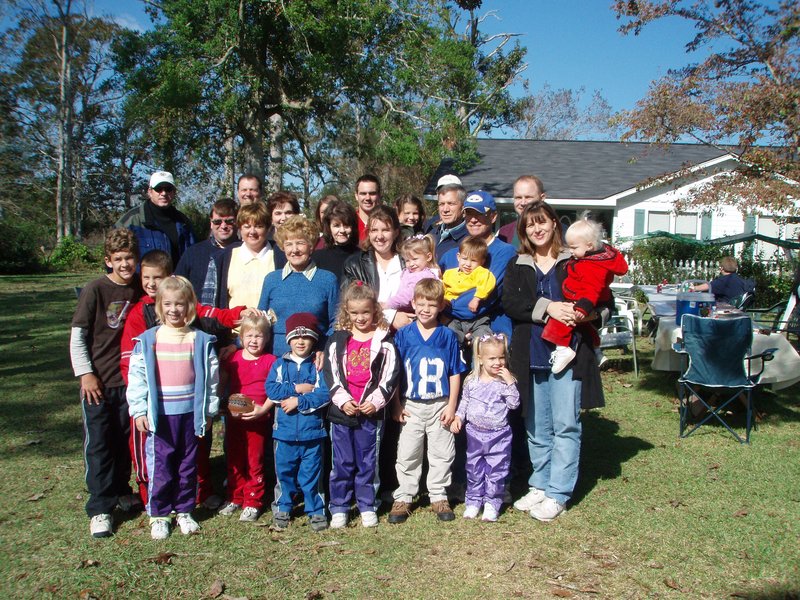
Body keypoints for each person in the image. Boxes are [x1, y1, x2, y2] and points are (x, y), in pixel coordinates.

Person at [120, 250, 249, 510]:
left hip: (187, 400)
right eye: (146, 278)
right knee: (156, 454)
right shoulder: (140, 313)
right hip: (155, 401)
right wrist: (141, 401)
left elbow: (214, 313)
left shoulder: (188, 314)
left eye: (158, 277)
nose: (152, 283)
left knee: (192, 452)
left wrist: (242, 313)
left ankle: (195, 496)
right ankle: (153, 500)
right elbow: (130, 362)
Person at [503, 201, 606, 522]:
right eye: (530, 224)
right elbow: (512, 303)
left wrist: (583, 313)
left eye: (542, 222)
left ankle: (558, 492)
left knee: (565, 424)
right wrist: (548, 307)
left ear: (553, 224)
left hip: (569, 354)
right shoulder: (518, 263)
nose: (537, 229)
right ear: (523, 230)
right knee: (536, 426)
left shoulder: (574, 260)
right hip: (530, 354)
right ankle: (540, 483)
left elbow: (604, 301)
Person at [126, 276, 220, 539]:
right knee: (162, 465)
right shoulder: (148, 340)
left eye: (180, 304)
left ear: (190, 306)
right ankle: (159, 513)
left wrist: (209, 411)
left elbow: (212, 379)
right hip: (160, 417)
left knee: (188, 464)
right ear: (159, 306)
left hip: (190, 415)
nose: (173, 310)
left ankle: (184, 510)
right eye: (167, 304)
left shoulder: (200, 340)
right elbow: (138, 376)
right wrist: (139, 410)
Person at [70, 229, 141, 538]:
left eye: (130, 258)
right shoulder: (95, 290)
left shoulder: (140, 289)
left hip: (128, 382)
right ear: (108, 261)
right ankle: (100, 506)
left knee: (124, 441)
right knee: (99, 443)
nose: (125, 264)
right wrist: (86, 373)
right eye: (119, 259)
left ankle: (121, 489)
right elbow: (78, 336)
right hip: (98, 383)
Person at [388, 279, 467, 524]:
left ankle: (438, 494)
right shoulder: (404, 334)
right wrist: (396, 404)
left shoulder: (447, 336)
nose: (425, 309)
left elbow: (455, 372)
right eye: (420, 304)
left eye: (431, 305)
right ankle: (405, 495)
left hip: (439, 404)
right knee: (408, 451)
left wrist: (452, 405)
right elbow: (396, 372)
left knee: (442, 452)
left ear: (441, 306)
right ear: (412, 303)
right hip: (411, 403)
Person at [323, 282, 400, 528]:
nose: (360, 318)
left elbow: (390, 376)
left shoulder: (385, 342)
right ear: (346, 311)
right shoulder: (337, 340)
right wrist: (343, 400)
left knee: (368, 460)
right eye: (354, 313)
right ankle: (340, 506)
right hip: (342, 412)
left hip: (370, 413)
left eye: (365, 312)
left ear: (374, 310)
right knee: (342, 462)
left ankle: (367, 504)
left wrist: (375, 402)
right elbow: (331, 374)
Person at [266, 313, 330, 532]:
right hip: (283, 432)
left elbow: (324, 394)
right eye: (295, 337)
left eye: (306, 337)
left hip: (312, 433)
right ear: (288, 340)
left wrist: (299, 401)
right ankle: (283, 506)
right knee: (284, 472)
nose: (300, 341)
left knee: (311, 474)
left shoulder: (317, 365)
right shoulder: (279, 365)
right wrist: (296, 389)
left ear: (313, 340)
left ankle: (316, 509)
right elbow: (272, 390)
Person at [542, 218, 628, 374]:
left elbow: (592, 288)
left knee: (560, 321)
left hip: (583, 300)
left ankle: (563, 349)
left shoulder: (592, 265)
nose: (571, 251)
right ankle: (597, 352)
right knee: (587, 328)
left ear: (589, 246)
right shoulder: (594, 257)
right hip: (583, 298)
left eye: (574, 247)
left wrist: (583, 306)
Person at [450, 333, 519, 522]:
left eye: (501, 357)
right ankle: (473, 501)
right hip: (474, 433)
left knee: (496, 472)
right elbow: (465, 402)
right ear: (480, 359)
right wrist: (458, 417)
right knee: (474, 469)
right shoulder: (472, 381)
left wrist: (510, 383)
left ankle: (492, 503)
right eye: (492, 358)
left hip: (499, 435)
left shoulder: (505, 382)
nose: (498, 362)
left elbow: (513, 404)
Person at [218, 314, 277, 522]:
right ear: (241, 338)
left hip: (258, 420)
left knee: (255, 460)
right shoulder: (233, 358)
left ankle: (253, 500)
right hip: (234, 418)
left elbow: (275, 391)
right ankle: (235, 496)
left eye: (259, 336)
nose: (254, 340)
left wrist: (264, 409)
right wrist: (221, 401)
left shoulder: (270, 361)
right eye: (249, 336)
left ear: (267, 338)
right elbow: (223, 381)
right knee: (234, 458)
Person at [439, 190, 517, 339]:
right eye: (469, 214)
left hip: (491, 333)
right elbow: (435, 290)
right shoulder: (450, 256)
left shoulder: (505, 253)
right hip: (452, 333)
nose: (473, 220)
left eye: (480, 214)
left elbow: (477, 304)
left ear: (493, 217)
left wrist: (445, 309)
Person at [258, 215, 339, 356]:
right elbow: (260, 322)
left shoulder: (327, 280)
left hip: (314, 360)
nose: (294, 250)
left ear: (311, 246)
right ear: (283, 247)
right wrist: (236, 345)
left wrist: (324, 349)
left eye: (300, 243)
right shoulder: (272, 280)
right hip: (275, 359)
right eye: (289, 244)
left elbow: (336, 321)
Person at [342, 206, 414, 330]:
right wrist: (391, 317)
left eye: (385, 230)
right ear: (369, 232)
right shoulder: (354, 265)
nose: (379, 236)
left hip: (406, 332)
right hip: (369, 334)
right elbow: (351, 305)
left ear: (396, 232)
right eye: (374, 230)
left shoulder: (410, 262)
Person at [116, 171, 196, 265]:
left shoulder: (184, 223)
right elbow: (114, 257)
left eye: (168, 189)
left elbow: (193, 258)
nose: (164, 193)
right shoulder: (130, 222)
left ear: (174, 192)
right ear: (150, 191)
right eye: (158, 189)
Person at [216, 202, 285, 312]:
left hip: (271, 327)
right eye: (247, 226)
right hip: (236, 328)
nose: (252, 232)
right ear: (240, 228)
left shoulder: (281, 256)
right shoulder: (226, 256)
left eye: (259, 226)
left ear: (267, 228)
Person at [175, 198, 239, 305]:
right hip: (199, 318)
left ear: (237, 222)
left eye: (229, 221)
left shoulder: (245, 252)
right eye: (217, 222)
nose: (223, 226)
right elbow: (176, 288)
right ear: (211, 223)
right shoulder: (193, 253)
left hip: (235, 318)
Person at [442, 237, 497, 344]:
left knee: (484, 339)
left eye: (473, 260)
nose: (468, 264)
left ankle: (476, 348)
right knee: (449, 333)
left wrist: (477, 298)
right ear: (458, 257)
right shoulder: (449, 274)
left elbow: (488, 282)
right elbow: (442, 288)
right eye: (464, 259)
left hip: (477, 320)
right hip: (454, 318)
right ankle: (464, 340)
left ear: (482, 261)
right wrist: (442, 300)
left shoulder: (480, 272)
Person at [384, 234, 440, 313]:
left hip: (414, 313)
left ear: (428, 257)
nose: (411, 264)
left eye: (415, 259)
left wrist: (388, 304)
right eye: (407, 260)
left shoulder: (424, 276)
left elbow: (409, 295)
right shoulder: (410, 272)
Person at [311, 199, 360, 280]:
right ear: (329, 227)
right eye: (337, 225)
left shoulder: (362, 257)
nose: (342, 231)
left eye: (346, 225)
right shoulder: (317, 258)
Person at [424, 176, 469, 261]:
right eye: (441, 204)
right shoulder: (431, 234)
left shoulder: (469, 241)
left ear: (463, 206)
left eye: (451, 204)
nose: (445, 210)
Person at [497, 175, 546, 248]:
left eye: (528, 197)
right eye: (518, 197)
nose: (523, 203)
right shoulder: (504, 233)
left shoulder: (557, 231)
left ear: (542, 198)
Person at [354, 174, 382, 243]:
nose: (367, 198)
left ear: (379, 195)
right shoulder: (349, 222)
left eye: (372, 193)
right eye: (363, 193)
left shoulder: (387, 222)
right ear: (356, 196)